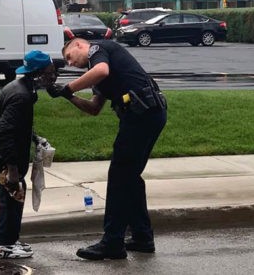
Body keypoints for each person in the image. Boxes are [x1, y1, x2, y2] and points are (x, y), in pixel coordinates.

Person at [47, 38, 167, 260]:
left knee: (119, 177)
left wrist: (68, 87)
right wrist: (68, 96)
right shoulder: (99, 74)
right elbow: (94, 108)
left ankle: (112, 242)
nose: (71, 64)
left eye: (69, 57)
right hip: (146, 114)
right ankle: (142, 237)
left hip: (142, 115)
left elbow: (101, 70)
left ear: (79, 46)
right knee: (129, 178)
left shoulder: (98, 50)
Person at [0, 50, 57, 259]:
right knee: (13, 189)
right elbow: (4, 132)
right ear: (38, 73)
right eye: (50, 72)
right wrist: (11, 169)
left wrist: (35, 138)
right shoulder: (21, 95)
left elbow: (15, 124)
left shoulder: (25, 88)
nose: (54, 76)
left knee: (13, 192)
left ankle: (4, 238)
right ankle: (3, 245)